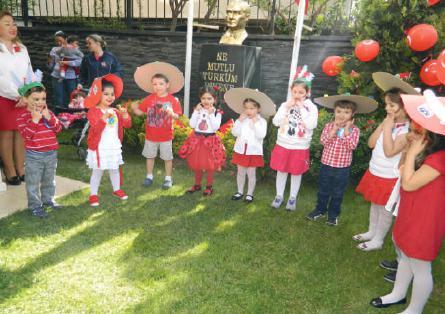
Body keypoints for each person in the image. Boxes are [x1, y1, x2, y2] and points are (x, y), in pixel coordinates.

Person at [370, 90, 445, 314]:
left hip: (426, 218)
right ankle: (398, 294)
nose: (412, 133)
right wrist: (410, 156)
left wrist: (411, 153)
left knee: (420, 264)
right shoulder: (426, 153)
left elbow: (409, 183)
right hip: (410, 211)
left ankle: (415, 308)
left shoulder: (439, 158)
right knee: (404, 254)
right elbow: (403, 172)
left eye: (418, 129)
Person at [353, 75, 415, 251]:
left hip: (390, 176)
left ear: (404, 108)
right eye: (387, 104)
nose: (387, 108)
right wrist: (383, 126)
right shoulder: (388, 122)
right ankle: (371, 232)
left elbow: (389, 152)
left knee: (385, 209)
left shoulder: (407, 130)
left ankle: (378, 240)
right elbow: (371, 144)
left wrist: (387, 128)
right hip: (376, 171)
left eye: (392, 105)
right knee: (375, 203)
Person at [306, 95, 377, 226]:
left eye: (346, 112)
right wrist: (334, 130)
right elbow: (323, 141)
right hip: (326, 165)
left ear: (353, 114)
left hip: (342, 168)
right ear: (334, 111)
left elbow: (352, 146)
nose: (342, 115)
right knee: (323, 190)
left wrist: (345, 131)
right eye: (339, 111)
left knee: (337, 193)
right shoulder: (329, 126)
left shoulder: (354, 130)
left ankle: (333, 215)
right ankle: (320, 210)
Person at [270, 67, 318, 211]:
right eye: (295, 92)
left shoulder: (311, 108)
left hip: (300, 146)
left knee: (296, 172)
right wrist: (285, 108)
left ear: (307, 93)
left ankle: (292, 198)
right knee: (281, 171)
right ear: (291, 91)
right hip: (283, 144)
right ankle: (279, 196)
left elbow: (311, 124)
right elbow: (276, 122)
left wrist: (302, 108)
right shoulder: (285, 105)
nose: (297, 95)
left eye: (301, 92)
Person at [132, 62, 184, 189]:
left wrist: (171, 112)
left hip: (166, 136)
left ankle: (168, 178)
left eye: (161, 84)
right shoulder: (149, 99)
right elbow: (140, 112)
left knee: (167, 158)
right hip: (151, 135)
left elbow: (178, 116)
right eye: (154, 84)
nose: (157, 86)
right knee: (150, 157)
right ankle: (149, 176)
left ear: (167, 85)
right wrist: (134, 108)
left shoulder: (172, 100)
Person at [84, 74, 132, 207]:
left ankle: (117, 189)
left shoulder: (116, 111)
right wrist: (104, 117)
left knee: (115, 168)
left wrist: (125, 115)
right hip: (100, 147)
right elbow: (95, 129)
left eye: (112, 94)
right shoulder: (93, 111)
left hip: (113, 146)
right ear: (98, 94)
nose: (110, 97)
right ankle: (93, 194)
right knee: (98, 170)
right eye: (106, 94)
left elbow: (127, 125)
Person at [16, 81, 62, 218]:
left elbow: (59, 129)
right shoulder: (22, 117)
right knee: (33, 182)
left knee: (49, 180)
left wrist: (49, 117)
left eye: (43, 99)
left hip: (51, 154)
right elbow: (26, 135)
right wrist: (35, 120)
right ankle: (35, 205)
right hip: (34, 156)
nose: (40, 102)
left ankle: (48, 200)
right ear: (25, 99)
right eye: (36, 99)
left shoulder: (48, 113)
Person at [224, 88, 275, 203]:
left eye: (252, 108)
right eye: (246, 108)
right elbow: (235, 133)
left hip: (253, 151)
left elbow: (261, 135)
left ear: (258, 109)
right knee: (241, 172)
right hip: (241, 150)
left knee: (251, 173)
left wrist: (256, 123)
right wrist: (240, 121)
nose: (249, 111)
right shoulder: (242, 119)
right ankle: (240, 191)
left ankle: (249, 194)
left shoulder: (262, 122)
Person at [0, 10, 32, 185]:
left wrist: (27, 93)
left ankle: (21, 168)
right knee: (6, 134)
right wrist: (17, 94)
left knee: (21, 133)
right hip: (3, 97)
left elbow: (28, 72)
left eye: (13, 23)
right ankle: (9, 170)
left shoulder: (22, 49)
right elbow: (1, 78)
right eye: (7, 24)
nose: (12, 27)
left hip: (23, 98)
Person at [179, 87, 225, 196]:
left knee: (210, 165)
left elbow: (215, 127)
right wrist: (196, 111)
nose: (206, 101)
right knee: (197, 163)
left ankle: (209, 186)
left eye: (209, 98)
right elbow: (192, 125)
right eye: (203, 98)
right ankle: (197, 184)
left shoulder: (217, 112)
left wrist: (210, 114)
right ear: (200, 98)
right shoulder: (198, 110)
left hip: (210, 141)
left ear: (214, 99)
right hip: (197, 140)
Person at [48, 30, 82, 110]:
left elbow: (79, 62)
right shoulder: (54, 49)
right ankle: (59, 115)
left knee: (72, 96)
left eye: (60, 40)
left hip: (71, 77)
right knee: (58, 97)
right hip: (57, 76)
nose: (58, 43)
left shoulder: (73, 48)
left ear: (66, 39)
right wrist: (49, 62)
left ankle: (72, 115)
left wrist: (67, 63)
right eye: (56, 41)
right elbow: (50, 64)